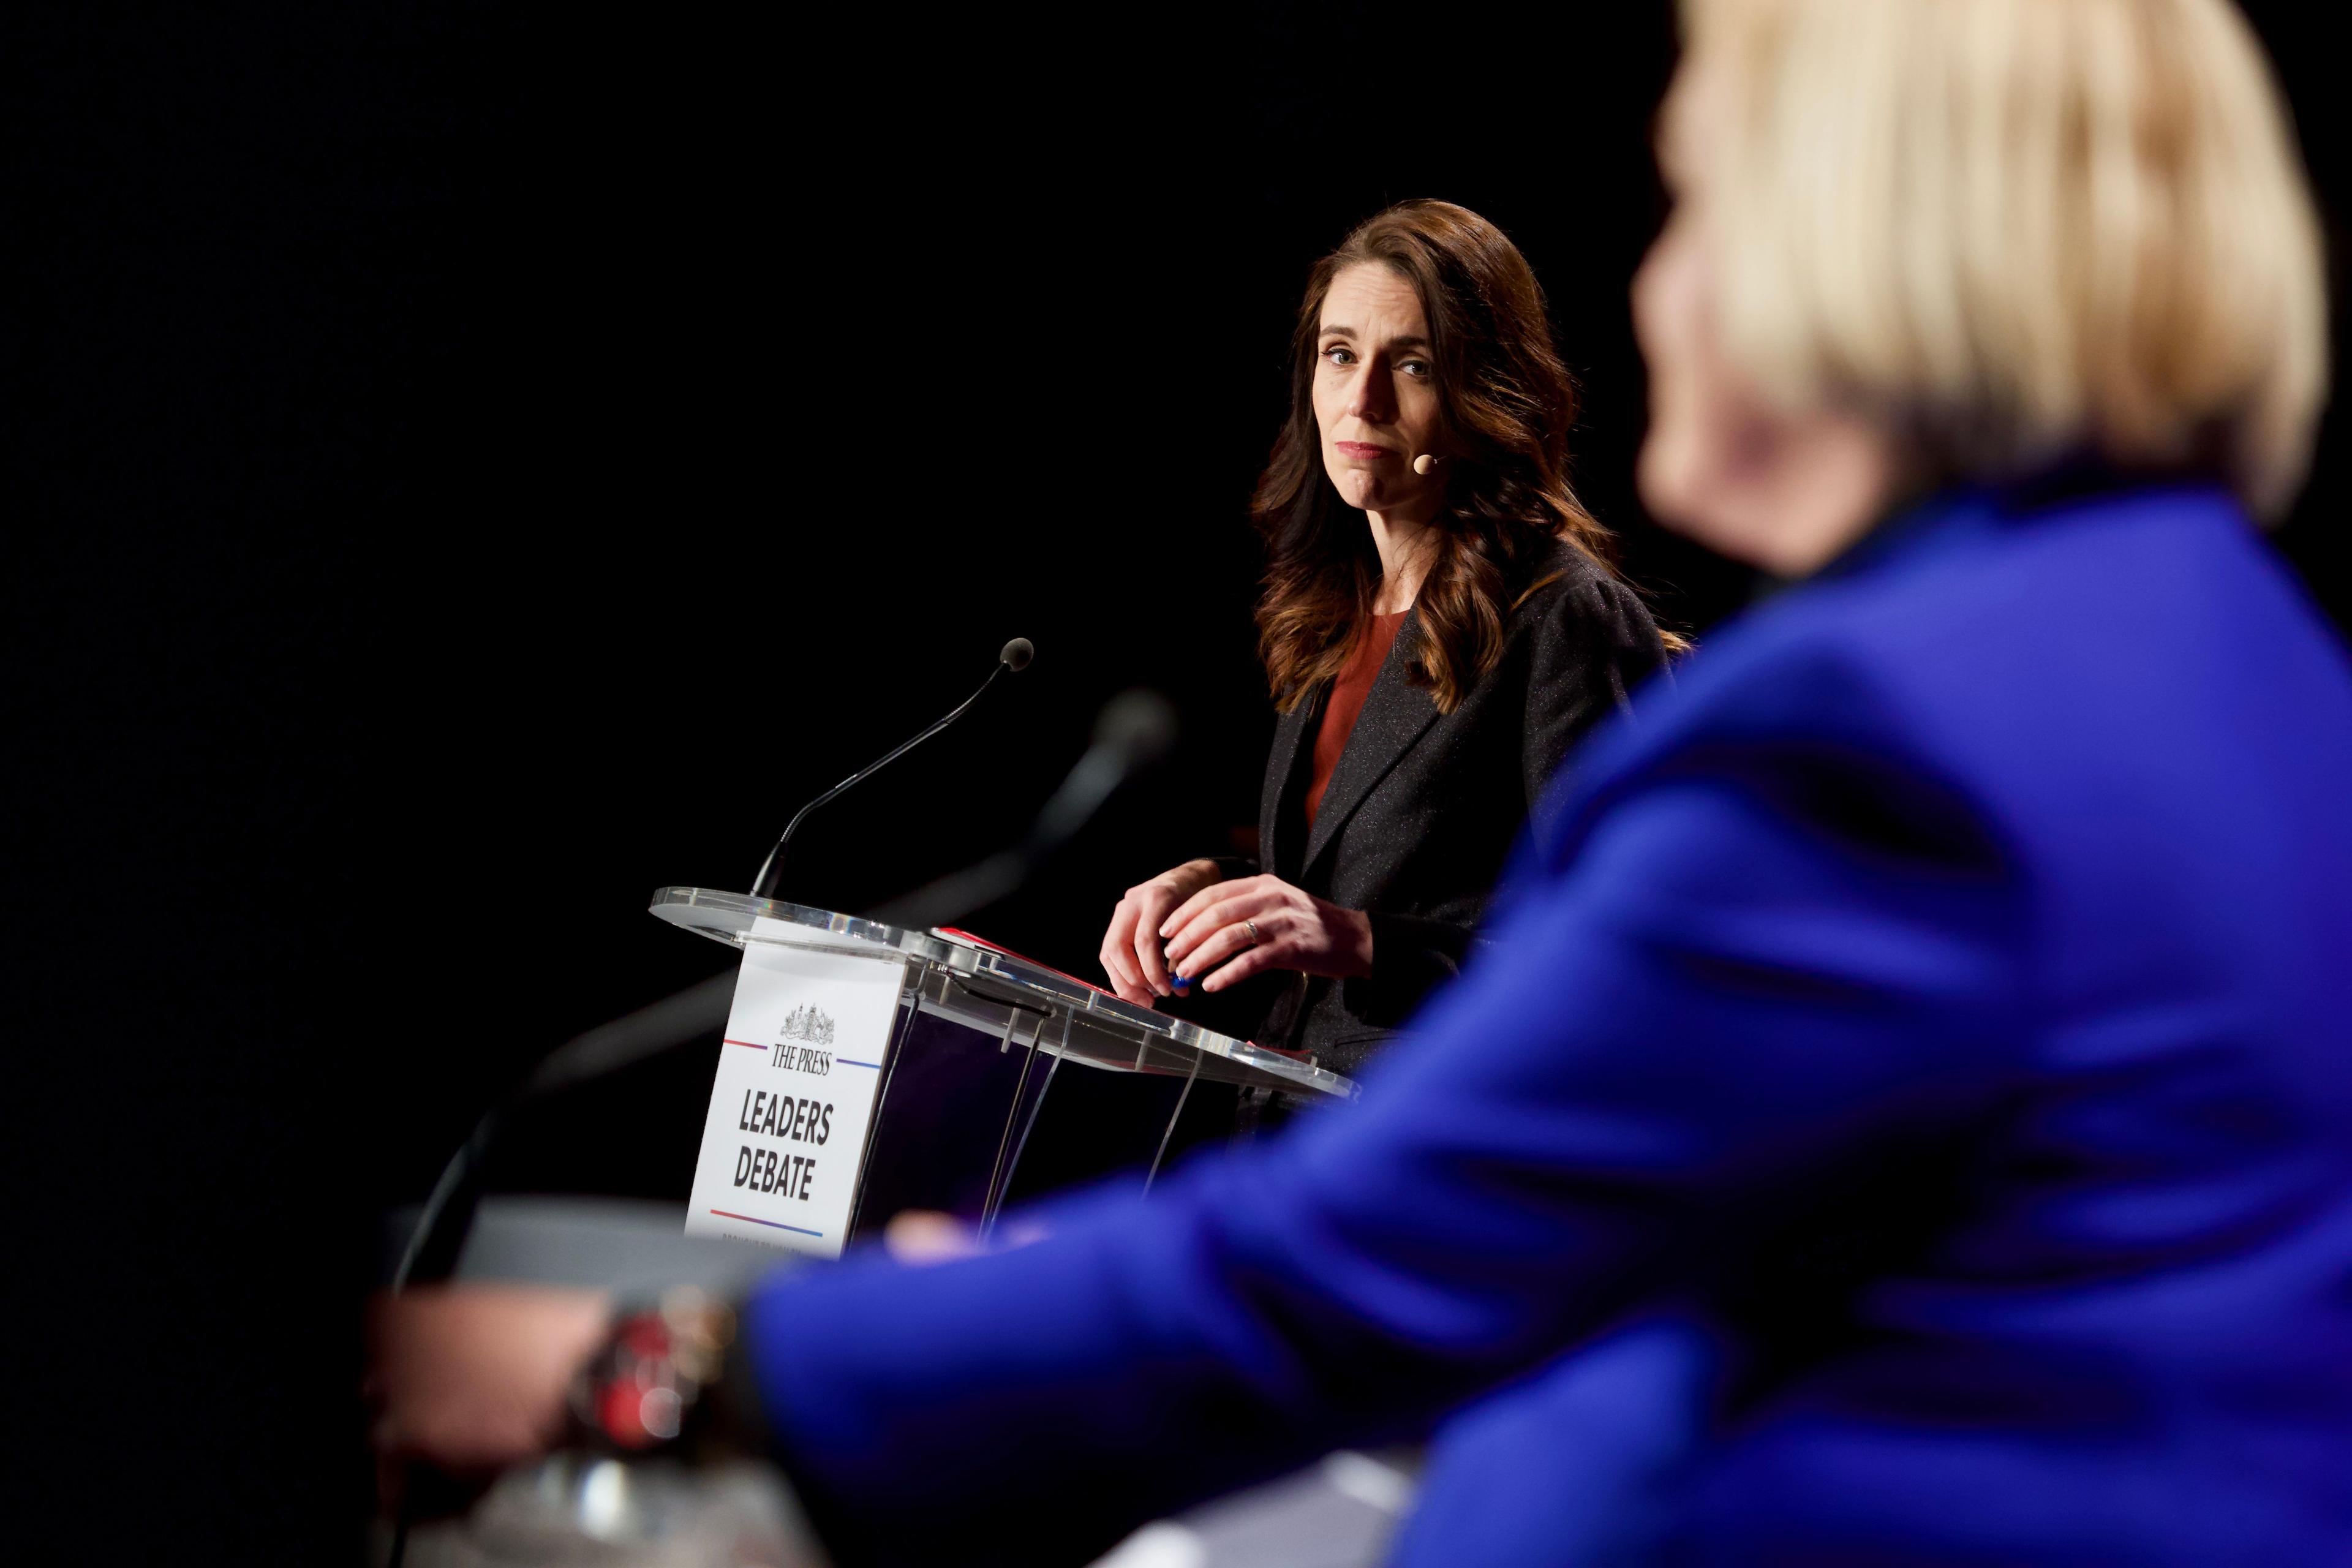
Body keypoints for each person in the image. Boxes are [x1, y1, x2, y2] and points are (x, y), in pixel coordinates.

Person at [375, 1, 2351, 1562]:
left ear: (1868, 248)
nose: (1659, 289)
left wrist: (650, 1365)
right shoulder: (2264, 676)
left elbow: (1358, 1275)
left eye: (1695, 200)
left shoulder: (1875, 735)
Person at [1096, 199, 1667, 1080]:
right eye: (1339, 355)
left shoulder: (1564, 613)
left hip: (1448, 1130)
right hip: (1288, 1120)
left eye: (1413, 365)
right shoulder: (1333, 610)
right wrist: (1215, 883)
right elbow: (1376, 859)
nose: (1361, 401)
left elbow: (1620, 948)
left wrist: (1363, 943)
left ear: (1489, 393)